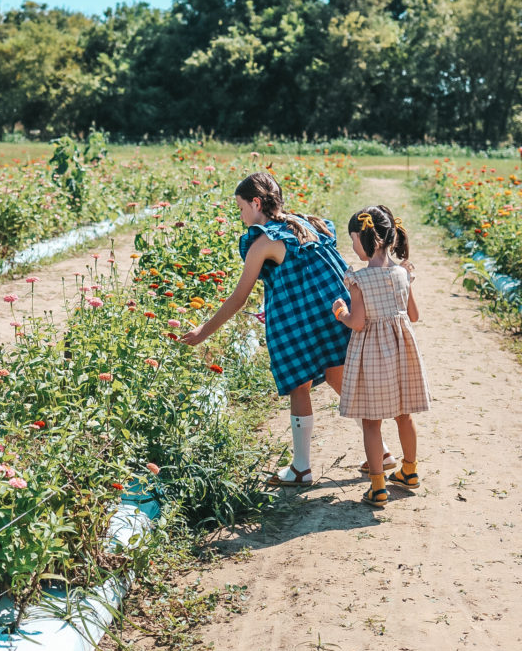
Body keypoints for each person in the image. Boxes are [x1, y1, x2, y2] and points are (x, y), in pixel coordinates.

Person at [182, 171, 352, 486]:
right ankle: (381, 451)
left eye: (241, 207)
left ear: (256, 202)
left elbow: (237, 298)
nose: (241, 215)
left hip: (299, 323)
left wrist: (204, 331)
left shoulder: (264, 241)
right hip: (335, 312)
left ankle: (301, 468)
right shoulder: (308, 223)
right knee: (340, 379)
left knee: (299, 387)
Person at [332, 205, 430, 507]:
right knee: (404, 414)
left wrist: (341, 313)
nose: (352, 246)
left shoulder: (359, 280)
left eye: (353, 240)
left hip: (373, 355)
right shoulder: (403, 273)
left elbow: (358, 322)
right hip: (403, 353)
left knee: (372, 421)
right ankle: (410, 471)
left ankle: (378, 487)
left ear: (367, 239)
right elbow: (413, 315)